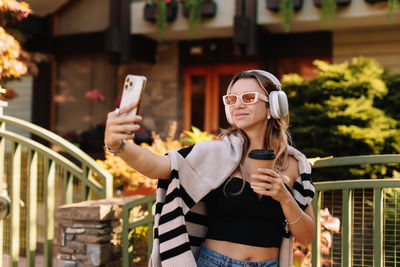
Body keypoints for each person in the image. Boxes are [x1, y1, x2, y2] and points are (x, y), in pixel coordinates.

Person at [104, 70, 315, 267]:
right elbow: (157, 166)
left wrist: (285, 198)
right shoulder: (215, 153)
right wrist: (118, 146)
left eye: (248, 98)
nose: (238, 105)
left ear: (274, 106)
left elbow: (306, 237)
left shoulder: (296, 165)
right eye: (232, 100)